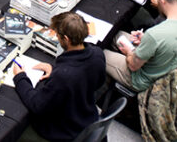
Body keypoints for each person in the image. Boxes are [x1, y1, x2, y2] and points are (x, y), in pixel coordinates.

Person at [10, 12, 105, 142]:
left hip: (61, 131)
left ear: (66, 39)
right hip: (86, 116)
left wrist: (20, 77)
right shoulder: (97, 54)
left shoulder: (64, 75)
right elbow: (95, 82)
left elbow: (37, 105)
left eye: (57, 35)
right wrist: (54, 70)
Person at [103, 0, 177, 91]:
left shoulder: (155, 34)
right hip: (170, 71)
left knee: (99, 53)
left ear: (162, 1)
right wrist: (145, 40)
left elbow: (133, 65)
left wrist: (129, 52)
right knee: (115, 34)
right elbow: (169, 43)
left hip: (144, 80)